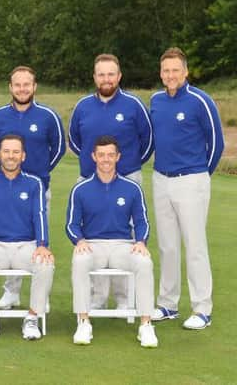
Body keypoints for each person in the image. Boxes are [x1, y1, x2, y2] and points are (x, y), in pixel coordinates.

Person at [68, 54, 153, 310]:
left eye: (111, 74)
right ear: (95, 77)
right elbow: (74, 140)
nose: (106, 79)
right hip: (90, 178)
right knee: (95, 238)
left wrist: (126, 167)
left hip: (128, 179)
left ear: (119, 76)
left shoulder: (133, 104)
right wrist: (96, 165)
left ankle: (125, 300)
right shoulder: (83, 106)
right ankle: (97, 297)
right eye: (101, 74)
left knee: (126, 241)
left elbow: (147, 141)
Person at [149, 47, 224, 330]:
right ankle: (168, 304)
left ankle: (202, 308)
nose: (170, 75)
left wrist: (201, 173)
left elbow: (216, 143)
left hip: (192, 180)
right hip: (161, 178)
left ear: (185, 72)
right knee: (167, 245)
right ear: (161, 73)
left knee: (194, 245)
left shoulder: (199, 100)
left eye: (175, 70)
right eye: (166, 71)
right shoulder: (155, 100)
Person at [67, 135, 158, 348]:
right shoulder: (81, 189)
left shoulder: (131, 188)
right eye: (101, 155)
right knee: (79, 261)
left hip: (122, 246)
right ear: (93, 157)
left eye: (110, 155)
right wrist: (79, 240)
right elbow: (71, 224)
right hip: (92, 245)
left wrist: (141, 241)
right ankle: (83, 321)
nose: (106, 159)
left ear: (118, 157)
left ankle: (146, 324)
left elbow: (142, 221)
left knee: (145, 263)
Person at [0, 66, 65, 310]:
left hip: (39, 189)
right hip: (7, 190)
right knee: (11, 238)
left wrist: (38, 174)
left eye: (26, 84)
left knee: (39, 239)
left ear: (34, 86)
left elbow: (59, 148)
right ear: (10, 88)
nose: (22, 89)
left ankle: (41, 296)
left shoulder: (47, 116)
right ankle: (11, 292)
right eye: (17, 85)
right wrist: (11, 173)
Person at [0, 134, 54, 340]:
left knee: (45, 265)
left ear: (23, 156)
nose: (11, 156)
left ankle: (33, 317)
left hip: (26, 246)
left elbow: (40, 216)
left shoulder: (34, 183)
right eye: (6, 151)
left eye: (16, 152)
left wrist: (42, 245)